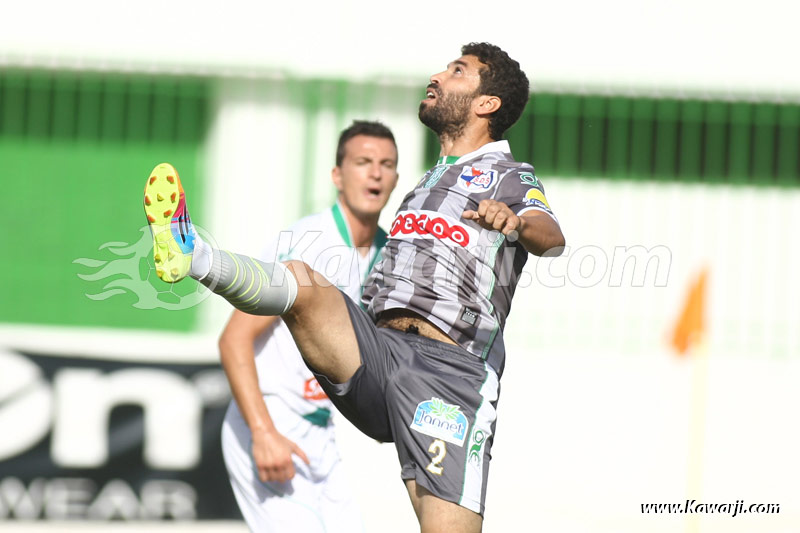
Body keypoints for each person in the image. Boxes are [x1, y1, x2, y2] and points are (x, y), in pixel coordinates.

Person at [143, 42, 565, 533]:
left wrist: (515, 222)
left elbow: (551, 238)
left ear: (486, 103)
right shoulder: (425, 185)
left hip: (449, 376)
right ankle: (192, 253)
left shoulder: (509, 175)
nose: (438, 75)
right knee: (303, 280)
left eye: (457, 71)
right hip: (379, 353)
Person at [217, 121, 399, 532]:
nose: (375, 172)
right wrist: (263, 433)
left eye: (386, 164)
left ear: (396, 179)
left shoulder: (391, 255)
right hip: (269, 421)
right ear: (338, 175)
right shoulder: (306, 243)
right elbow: (233, 339)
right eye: (363, 162)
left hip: (321, 433)